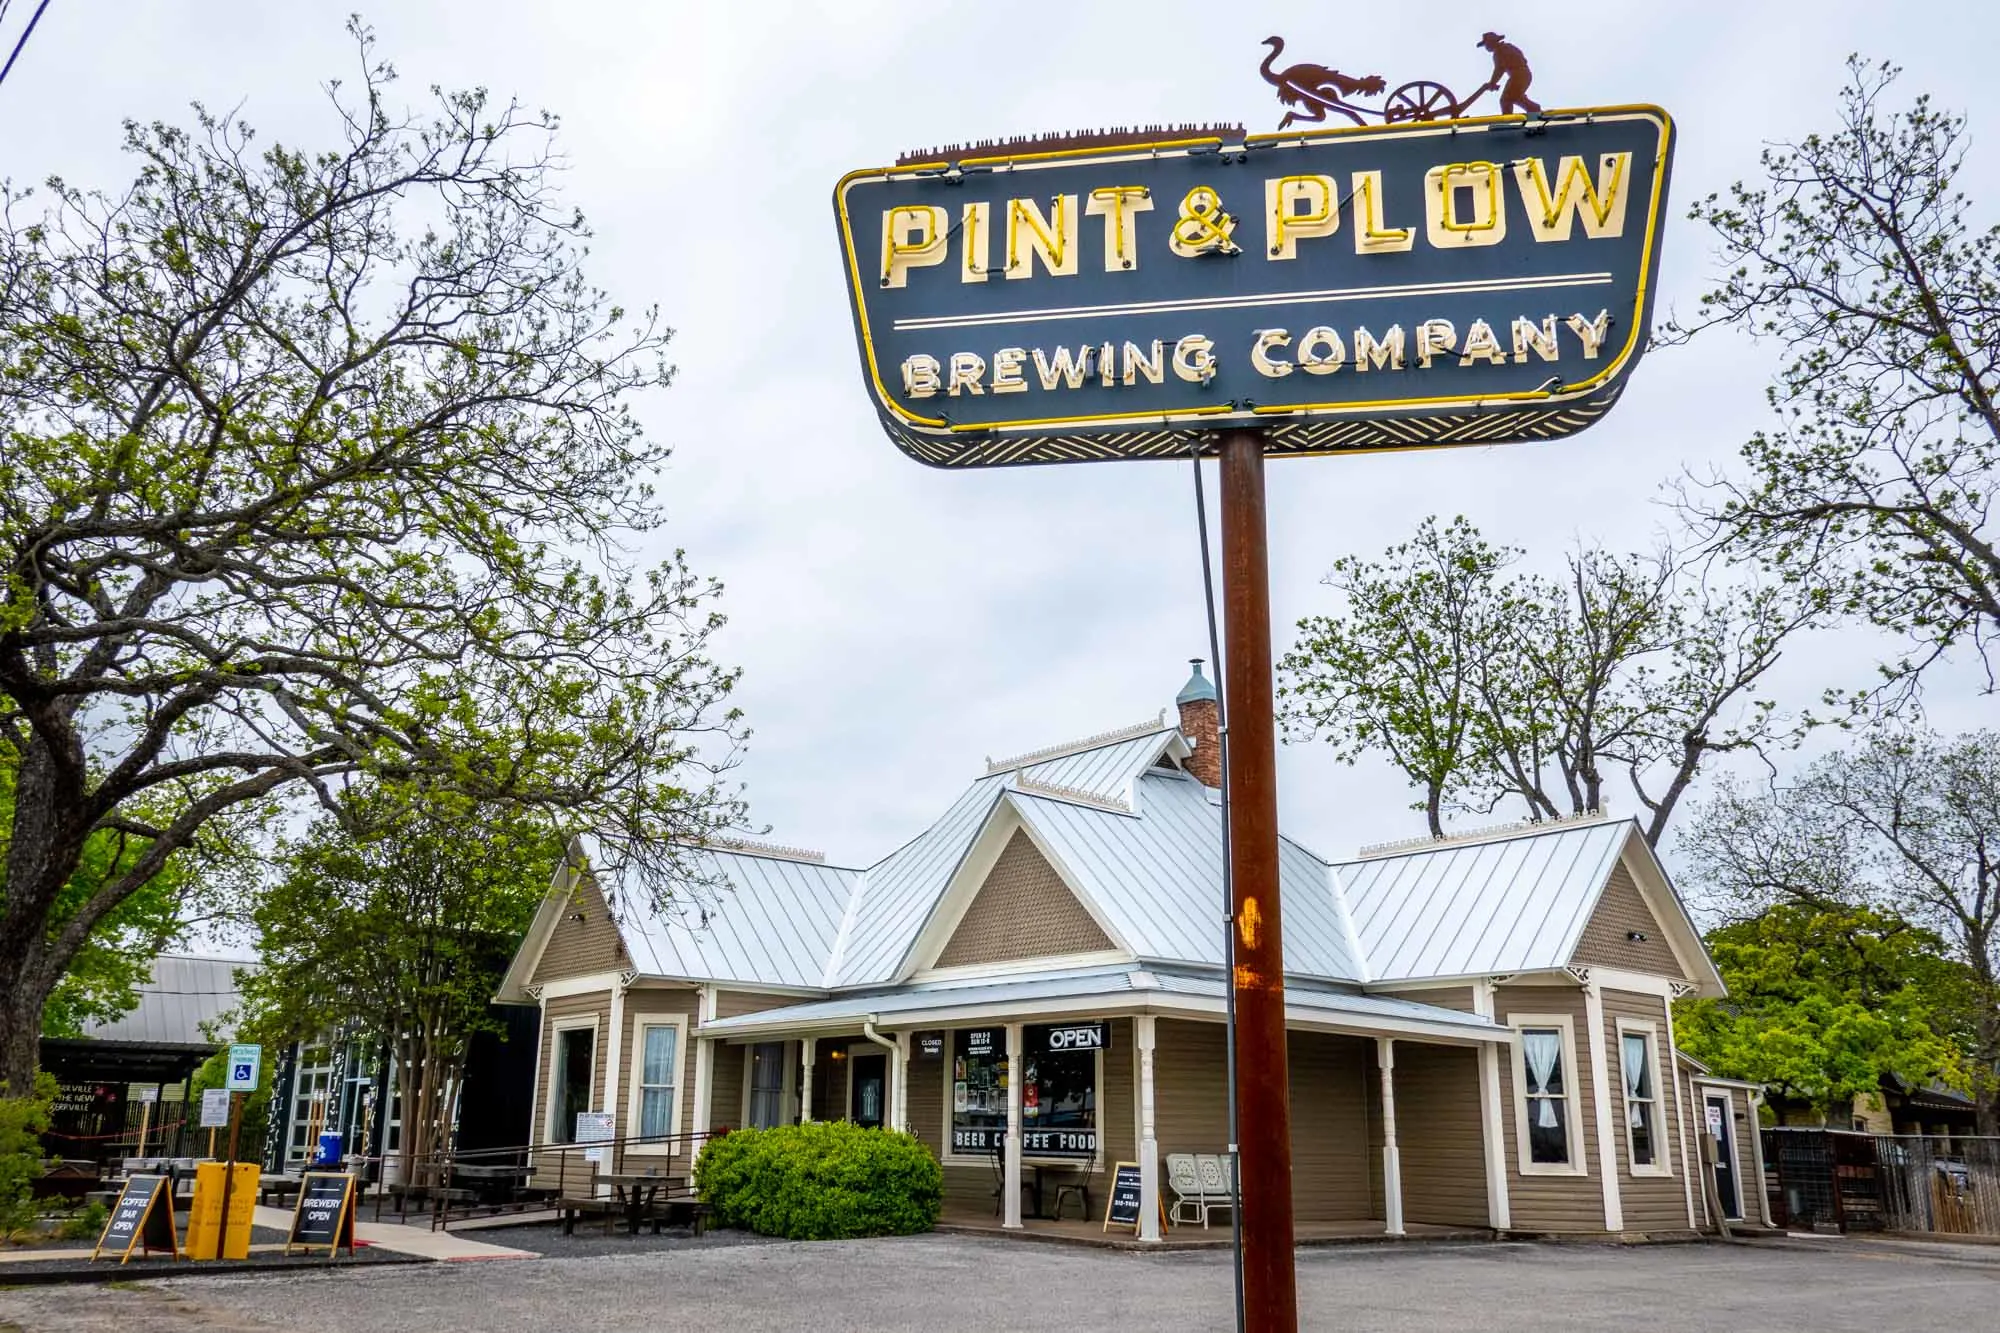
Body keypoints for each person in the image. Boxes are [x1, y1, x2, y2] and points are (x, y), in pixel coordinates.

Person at [1476, 31, 1540, 115]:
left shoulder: (1499, 51)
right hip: (1525, 74)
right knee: (1516, 97)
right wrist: (1493, 83)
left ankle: (1507, 121)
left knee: (1505, 100)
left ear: (1491, 42)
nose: (1486, 47)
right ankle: (1534, 109)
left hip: (1517, 76)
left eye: (1486, 44)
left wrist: (1492, 83)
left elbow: (1499, 69)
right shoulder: (1509, 47)